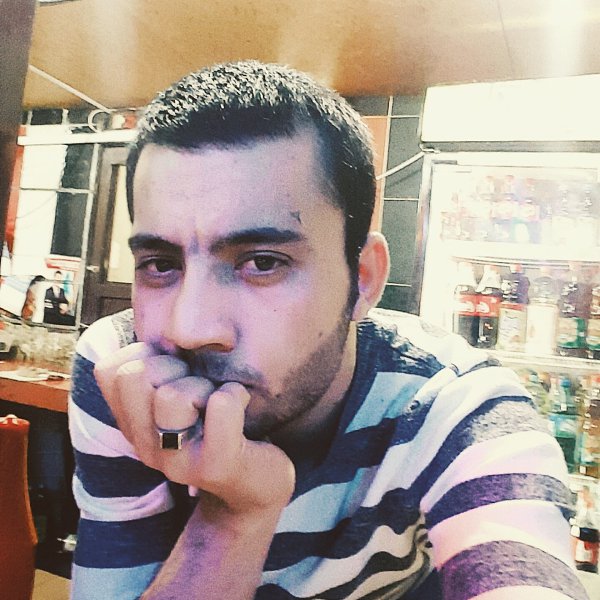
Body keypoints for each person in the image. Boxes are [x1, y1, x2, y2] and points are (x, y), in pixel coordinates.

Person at [68, 60, 588, 600]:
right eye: (160, 264)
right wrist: (235, 514)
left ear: (362, 280)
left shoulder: (452, 408)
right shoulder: (123, 372)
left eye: (262, 262)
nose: (189, 328)